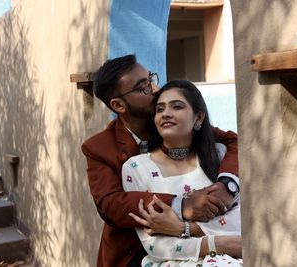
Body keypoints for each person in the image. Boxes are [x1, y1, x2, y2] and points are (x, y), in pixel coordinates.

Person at [81, 55, 240, 267]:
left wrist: (227, 185)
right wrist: (182, 205)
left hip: (206, 243)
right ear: (119, 105)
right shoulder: (100, 147)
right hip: (135, 251)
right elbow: (110, 204)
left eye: (151, 79)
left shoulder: (178, 125)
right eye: (143, 87)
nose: (155, 89)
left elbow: (235, 142)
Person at [122, 79, 242, 266]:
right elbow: (153, 243)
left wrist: (182, 228)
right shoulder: (136, 168)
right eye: (160, 109)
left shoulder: (220, 155)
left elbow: (240, 219)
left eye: (177, 107)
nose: (166, 114)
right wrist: (216, 243)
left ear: (199, 118)